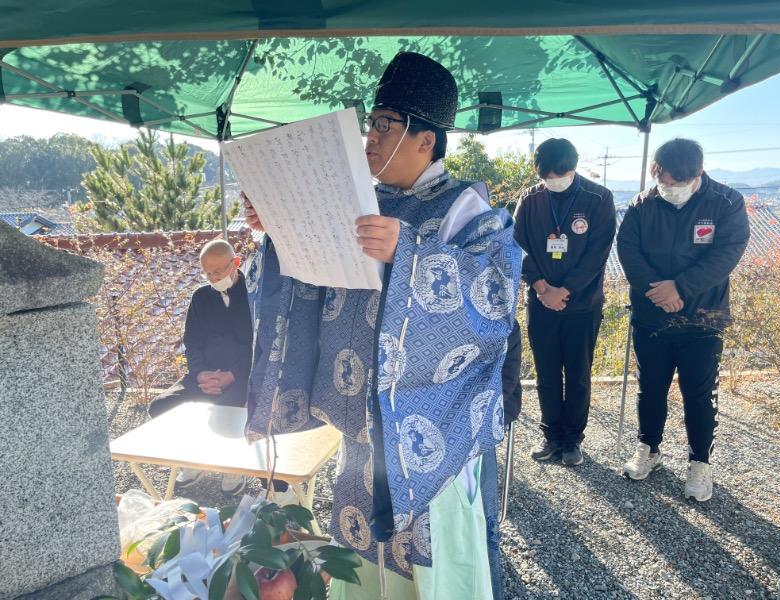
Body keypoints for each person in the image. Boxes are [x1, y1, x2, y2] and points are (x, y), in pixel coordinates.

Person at [244, 52, 521, 600]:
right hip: (359, 427)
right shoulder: (359, 200)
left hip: (433, 437)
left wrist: (410, 253)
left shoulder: (465, 208)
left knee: (434, 571)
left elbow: (495, 298)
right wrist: (278, 229)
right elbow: (307, 277)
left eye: (385, 125)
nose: (370, 138)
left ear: (426, 140)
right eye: (370, 124)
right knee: (361, 567)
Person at [617, 138, 750, 502]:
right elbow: (628, 250)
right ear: (655, 169)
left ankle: (700, 463)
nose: (672, 187)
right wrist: (658, 292)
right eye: (666, 180)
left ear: (699, 174)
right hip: (651, 313)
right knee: (650, 387)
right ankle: (649, 448)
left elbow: (728, 252)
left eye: (681, 182)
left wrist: (680, 288)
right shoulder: (642, 204)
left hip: (704, 316)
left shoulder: (726, 202)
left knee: (700, 394)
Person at [513, 138, 616, 466]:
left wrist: (565, 290)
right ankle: (551, 436)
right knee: (546, 372)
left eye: (560, 173)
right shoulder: (530, 199)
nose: (554, 179)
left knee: (578, 373)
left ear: (574, 167)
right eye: (547, 175)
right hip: (540, 301)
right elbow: (516, 246)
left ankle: (573, 440)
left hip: (583, 304)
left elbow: (597, 253)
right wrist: (541, 286)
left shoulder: (598, 198)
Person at [148, 239, 253, 495]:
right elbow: (192, 342)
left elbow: (259, 343)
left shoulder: (254, 293)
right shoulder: (201, 296)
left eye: (218, 271)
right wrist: (199, 373)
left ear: (236, 263)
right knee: (161, 406)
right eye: (207, 273)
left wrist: (233, 375)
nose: (213, 278)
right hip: (205, 373)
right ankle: (193, 457)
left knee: (226, 411)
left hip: (243, 374)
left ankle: (233, 464)